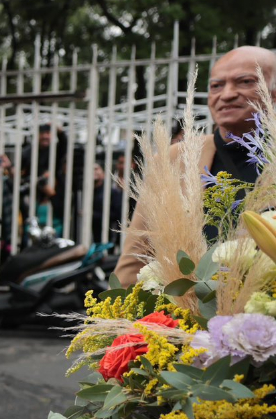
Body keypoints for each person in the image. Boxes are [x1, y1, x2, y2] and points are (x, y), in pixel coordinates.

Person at [115, 45, 276, 285]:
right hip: (186, 318)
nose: (227, 94)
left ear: (273, 93)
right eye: (216, 86)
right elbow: (136, 255)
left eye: (245, 82)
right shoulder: (175, 159)